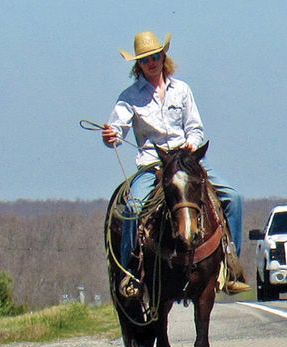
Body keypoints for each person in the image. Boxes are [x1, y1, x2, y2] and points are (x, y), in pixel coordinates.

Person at [101, 31, 249, 295]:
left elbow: (195, 127)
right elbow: (116, 131)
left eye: (155, 56)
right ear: (139, 64)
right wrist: (111, 135)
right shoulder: (129, 97)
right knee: (134, 207)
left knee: (234, 198)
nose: (151, 62)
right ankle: (130, 273)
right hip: (152, 165)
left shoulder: (182, 90)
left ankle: (230, 265)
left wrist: (192, 144)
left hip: (185, 161)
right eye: (145, 59)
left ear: (163, 57)